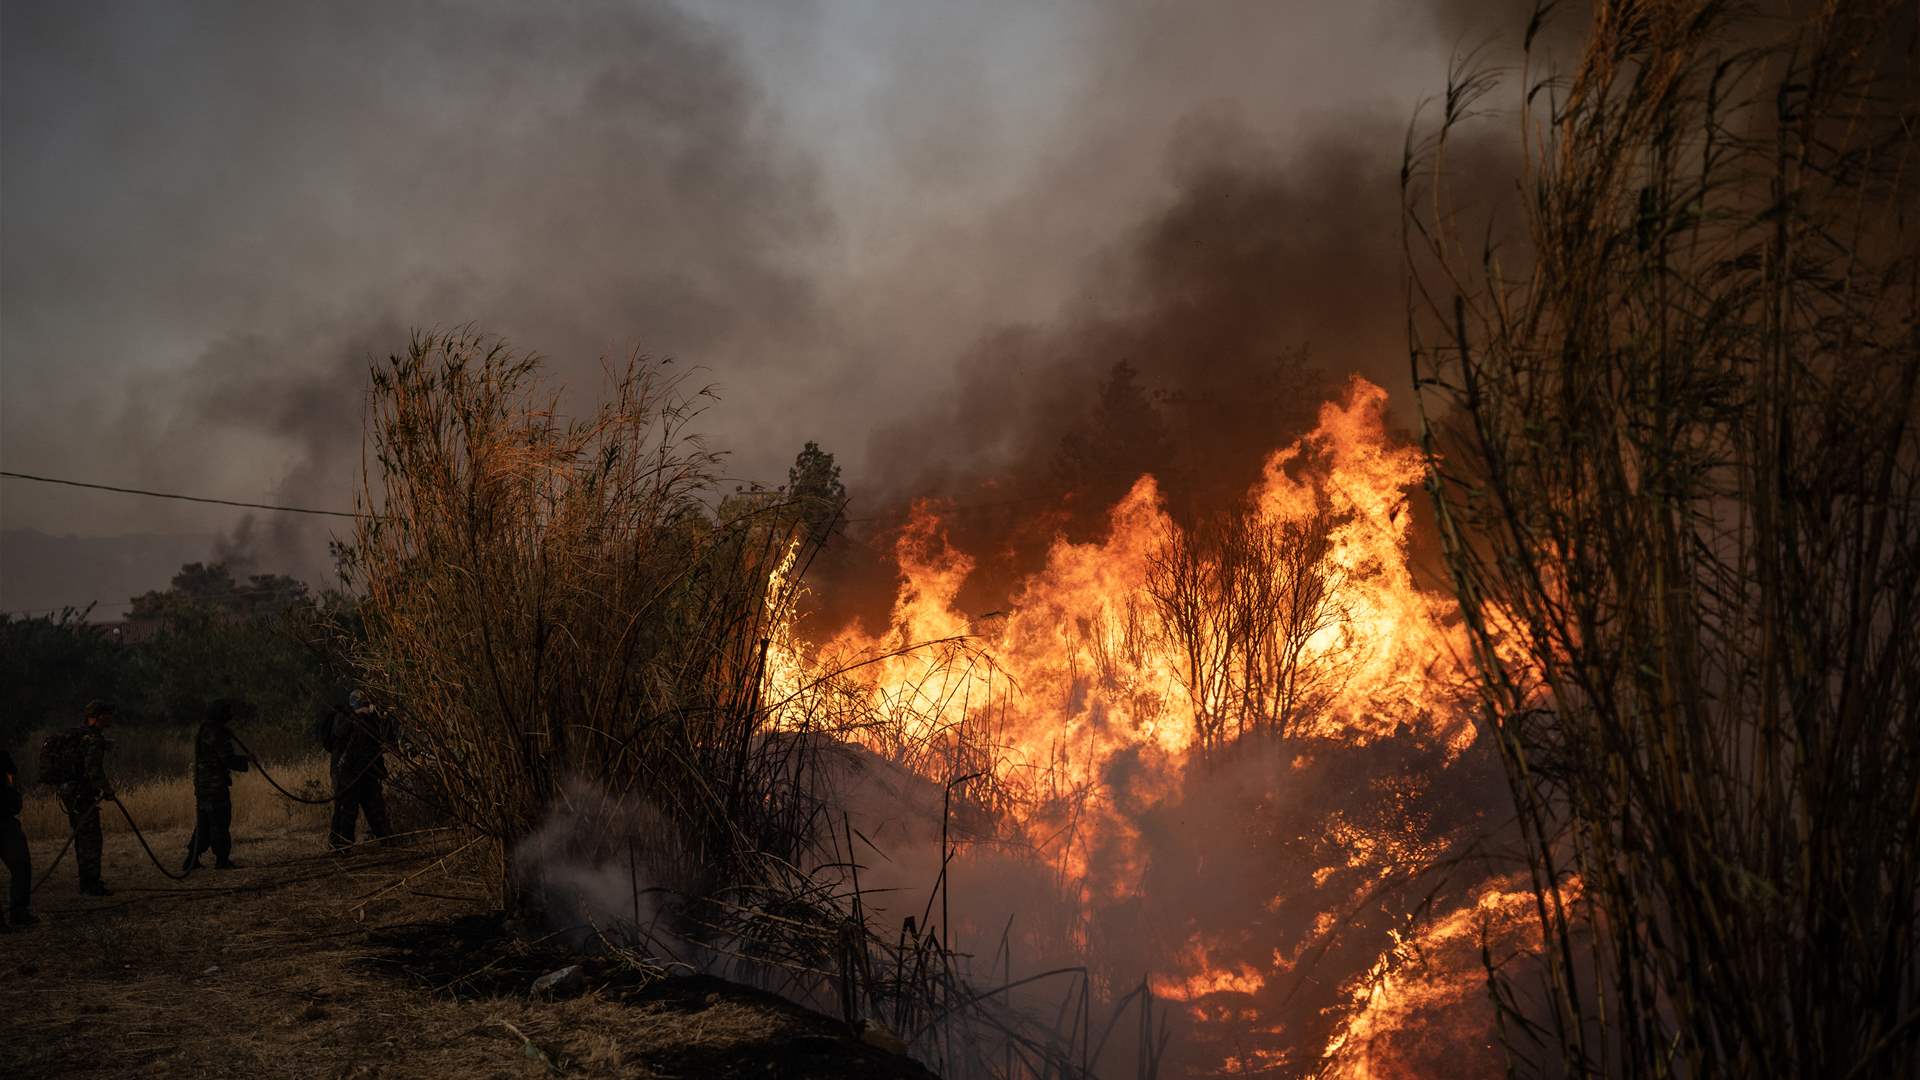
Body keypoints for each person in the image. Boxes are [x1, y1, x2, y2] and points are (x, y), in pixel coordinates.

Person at [181, 698, 253, 873]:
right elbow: (227, 758)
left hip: (204, 786)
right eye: (227, 711)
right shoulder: (216, 732)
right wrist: (247, 760)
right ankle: (222, 859)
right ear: (220, 714)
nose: (231, 715)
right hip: (214, 786)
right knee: (220, 821)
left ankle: (191, 859)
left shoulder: (206, 729)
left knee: (205, 822)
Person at [58, 699, 117, 896]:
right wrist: (108, 790)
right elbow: (94, 771)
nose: (111, 717)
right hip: (81, 796)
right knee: (90, 838)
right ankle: (90, 885)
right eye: (108, 713)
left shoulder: (81, 734)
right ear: (99, 716)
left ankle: (88, 882)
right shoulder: (92, 739)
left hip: (71, 793)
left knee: (83, 836)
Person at [328, 690, 393, 851]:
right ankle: (342, 845)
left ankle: (388, 841)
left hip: (367, 772)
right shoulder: (345, 718)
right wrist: (357, 718)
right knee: (346, 810)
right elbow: (339, 736)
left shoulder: (373, 719)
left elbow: (383, 740)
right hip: (348, 773)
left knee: (375, 808)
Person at [1, 748, 34, 931]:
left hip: (5, 819)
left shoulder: (2, 754)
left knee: (21, 863)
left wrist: (12, 798)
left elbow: (12, 775)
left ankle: (19, 911)